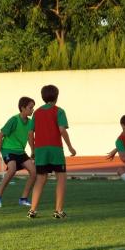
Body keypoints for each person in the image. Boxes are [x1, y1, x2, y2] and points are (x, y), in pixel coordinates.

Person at [27, 85, 76, 219]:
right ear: (57, 96)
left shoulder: (36, 113)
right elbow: (62, 130)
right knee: (61, 178)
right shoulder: (59, 111)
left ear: (43, 97)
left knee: (40, 179)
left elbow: (30, 133)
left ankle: (32, 210)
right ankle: (58, 211)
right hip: (55, 149)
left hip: (40, 150)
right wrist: (71, 147)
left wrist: (33, 150)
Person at [0, 97, 37, 208]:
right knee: (12, 169)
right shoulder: (13, 120)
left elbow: (31, 138)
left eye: (33, 108)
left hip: (20, 152)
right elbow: (0, 137)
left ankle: (23, 198)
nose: (32, 110)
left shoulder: (31, 123)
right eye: (30, 108)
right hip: (8, 149)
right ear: (22, 108)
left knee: (34, 172)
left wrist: (33, 151)